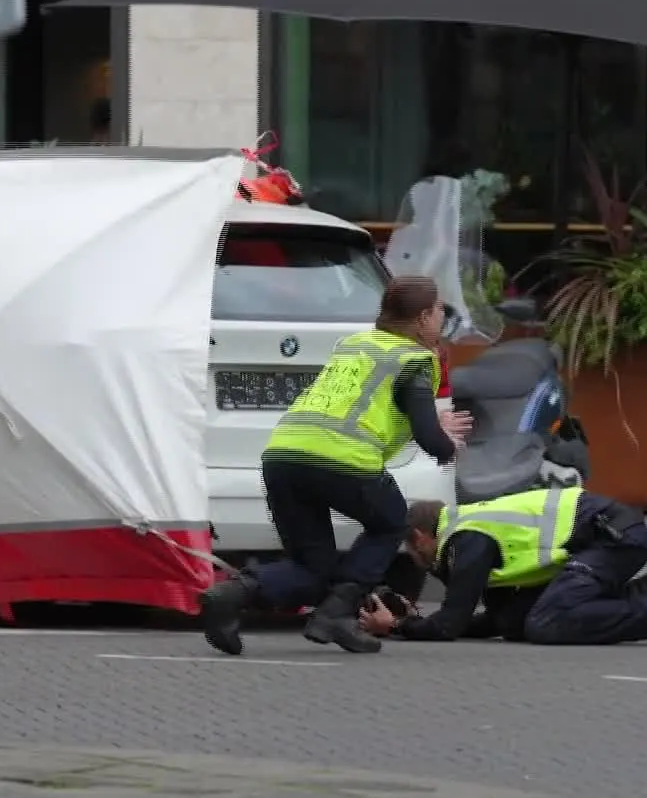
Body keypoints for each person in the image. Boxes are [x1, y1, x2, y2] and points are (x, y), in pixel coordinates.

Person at [197, 276, 471, 655]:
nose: (443, 313)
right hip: (342, 459)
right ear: (424, 318)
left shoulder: (355, 345)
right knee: (392, 520)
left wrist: (428, 429)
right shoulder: (415, 360)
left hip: (283, 455)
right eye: (439, 307)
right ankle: (338, 612)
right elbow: (428, 437)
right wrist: (447, 447)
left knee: (313, 566)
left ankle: (230, 595)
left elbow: (370, 410)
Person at [358, 488, 647, 646]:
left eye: (413, 549)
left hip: (612, 537)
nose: (417, 561)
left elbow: (450, 623)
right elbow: (494, 621)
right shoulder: (470, 532)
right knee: (518, 623)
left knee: (545, 623)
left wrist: (400, 626)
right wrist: (416, 622)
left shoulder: (467, 540)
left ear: (421, 537)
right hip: (600, 538)